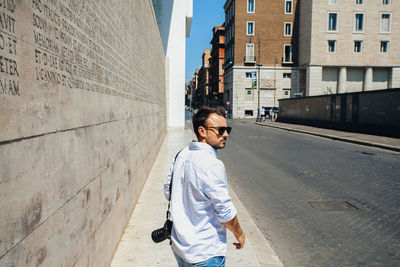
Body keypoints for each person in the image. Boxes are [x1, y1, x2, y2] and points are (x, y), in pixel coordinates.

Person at [164, 106, 245, 267]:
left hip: (180, 248)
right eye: (220, 130)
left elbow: (168, 191)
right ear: (202, 131)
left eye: (227, 129)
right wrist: (240, 234)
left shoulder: (181, 154)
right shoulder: (212, 165)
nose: (226, 134)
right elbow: (225, 212)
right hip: (205, 254)